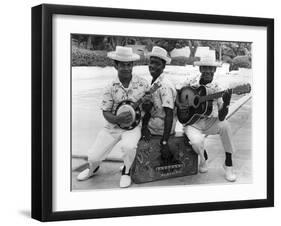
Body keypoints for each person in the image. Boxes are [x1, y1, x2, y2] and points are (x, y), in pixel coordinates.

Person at [77, 46, 150, 188]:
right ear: (115, 65)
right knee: (93, 157)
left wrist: (147, 103)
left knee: (129, 147)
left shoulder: (143, 83)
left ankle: (126, 171)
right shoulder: (110, 87)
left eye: (129, 65)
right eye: (123, 65)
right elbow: (105, 112)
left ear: (133, 65)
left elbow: (148, 109)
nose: (126, 68)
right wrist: (117, 119)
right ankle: (93, 168)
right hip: (112, 127)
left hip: (133, 127)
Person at [176, 50, 237, 182]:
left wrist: (226, 104)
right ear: (200, 68)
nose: (208, 71)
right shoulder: (190, 82)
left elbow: (221, 117)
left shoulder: (218, 88)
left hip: (211, 121)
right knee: (196, 142)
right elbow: (178, 92)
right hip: (192, 122)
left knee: (225, 125)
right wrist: (181, 104)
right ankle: (203, 159)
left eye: (211, 68)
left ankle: (228, 163)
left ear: (215, 70)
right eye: (206, 68)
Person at [141, 46, 177, 163]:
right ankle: (131, 161)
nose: (152, 66)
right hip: (155, 124)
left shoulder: (164, 85)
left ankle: (131, 162)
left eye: (157, 63)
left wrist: (165, 141)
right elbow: (150, 109)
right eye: (151, 63)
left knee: (129, 131)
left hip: (161, 128)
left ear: (163, 66)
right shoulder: (155, 82)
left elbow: (169, 114)